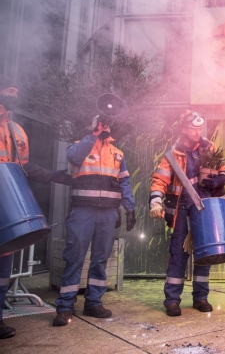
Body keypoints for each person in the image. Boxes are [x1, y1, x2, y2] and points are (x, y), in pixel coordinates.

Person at [0, 80, 72, 339]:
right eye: (8, 92)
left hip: (7, 208)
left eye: (15, 94)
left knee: (3, 266)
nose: (12, 97)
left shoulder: (18, 131)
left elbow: (24, 166)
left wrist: (54, 176)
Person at [53, 114, 136, 327]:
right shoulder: (78, 146)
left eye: (107, 124)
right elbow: (74, 159)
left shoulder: (117, 154)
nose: (105, 126)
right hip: (82, 212)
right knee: (75, 258)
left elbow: (125, 183)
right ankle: (65, 306)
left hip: (108, 214)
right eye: (101, 123)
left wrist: (130, 208)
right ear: (94, 125)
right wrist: (94, 134)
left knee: (100, 259)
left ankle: (93, 302)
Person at [149, 110, 225, 317]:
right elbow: (160, 180)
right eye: (193, 128)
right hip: (182, 211)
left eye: (199, 128)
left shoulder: (210, 148)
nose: (197, 132)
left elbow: (223, 169)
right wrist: (155, 201)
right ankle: (172, 300)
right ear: (184, 129)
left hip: (206, 210)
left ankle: (200, 297)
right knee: (178, 255)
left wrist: (221, 179)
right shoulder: (173, 154)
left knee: (205, 254)